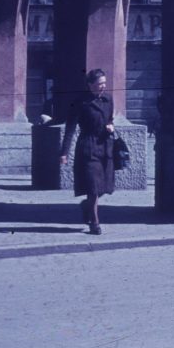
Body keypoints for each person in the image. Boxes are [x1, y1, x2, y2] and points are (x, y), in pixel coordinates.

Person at [60, 69, 116, 235]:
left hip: (105, 147)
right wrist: (64, 153)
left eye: (104, 83)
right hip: (88, 147)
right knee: (93, 187)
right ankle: (94, 223)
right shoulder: (80, 102)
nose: (102, 87)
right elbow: (70, 129)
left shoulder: (108, 100)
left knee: (102, 188)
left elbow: (110, 118)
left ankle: (86, 206)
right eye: (99, 84)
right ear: (90, 85)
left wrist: (111, 126)